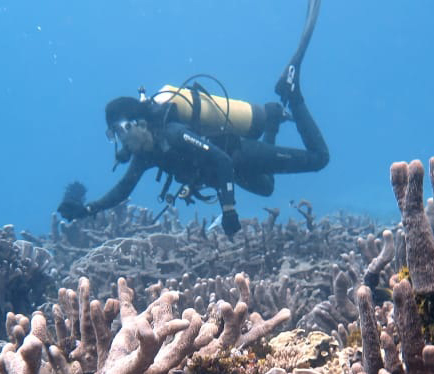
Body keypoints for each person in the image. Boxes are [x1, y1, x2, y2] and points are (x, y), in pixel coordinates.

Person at [57, 0, 328, 237]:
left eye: (121, 132)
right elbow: (123, 189)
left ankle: (292, 94)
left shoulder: (173, 133)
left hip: (238, 154)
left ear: (138, 123)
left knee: (319, 158)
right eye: (114, 136)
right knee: (266, 187)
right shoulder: (146, 154)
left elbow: (221, 160)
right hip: (230, 172)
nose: (121, 141)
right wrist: (87, 209)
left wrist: (229, 209)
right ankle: (272, 122)